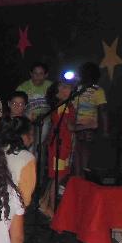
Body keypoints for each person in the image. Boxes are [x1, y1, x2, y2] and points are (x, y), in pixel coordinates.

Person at [40, 80, 77, 218]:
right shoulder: (63, 106)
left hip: (63, 146)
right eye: (65, 87)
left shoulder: (66, 105)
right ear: (58, 93)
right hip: (60, 147)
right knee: (57, 178)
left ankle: (45, 203)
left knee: (56, 177)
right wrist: (88, 125)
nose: (69, 89)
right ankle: (52, 210)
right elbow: (70, 127)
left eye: (69, 87)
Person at [73, 62, 108, 177]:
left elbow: (103, 110)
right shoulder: (97, 90)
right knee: (84, 152)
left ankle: (79, 177)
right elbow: (103, 111)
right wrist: (105, 130)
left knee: (78, 152)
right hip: (88, 126)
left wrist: (105, 130)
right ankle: (82, 177)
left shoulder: (76, 89)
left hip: (79, 125)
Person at [18, 62, 53, 150]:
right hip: (28, 119)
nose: (38, 76)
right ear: (31, 74)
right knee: (30, 145)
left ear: (46, 75)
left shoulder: (51, 86)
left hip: (45, 119)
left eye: (41, 74)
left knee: (38, 145)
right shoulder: (23, 87)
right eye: (35, 73)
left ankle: (37, 154)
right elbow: (17, 105)